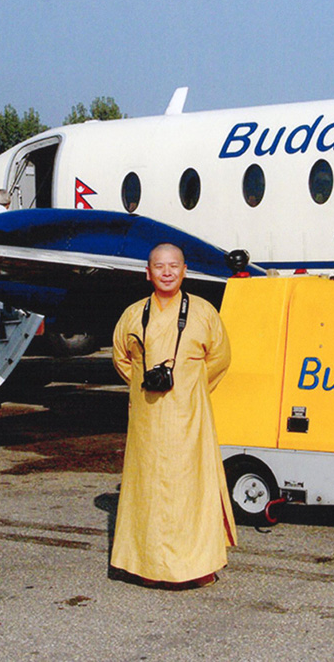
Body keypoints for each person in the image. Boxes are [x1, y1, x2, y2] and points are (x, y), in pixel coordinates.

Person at [110, 243, 236, 589]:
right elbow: (122, 359)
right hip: (147, 419)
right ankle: (146, 565)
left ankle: (195, 566)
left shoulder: (203, 312)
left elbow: (220, 358)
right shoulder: (133, 314)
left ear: (184, 270)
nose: (166, 272)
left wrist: (189, 388)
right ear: (147, 272)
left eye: (173, 266)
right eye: (159, 266)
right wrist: (143, 384)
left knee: (190, 487)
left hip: (189, 417)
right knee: (147, 489)